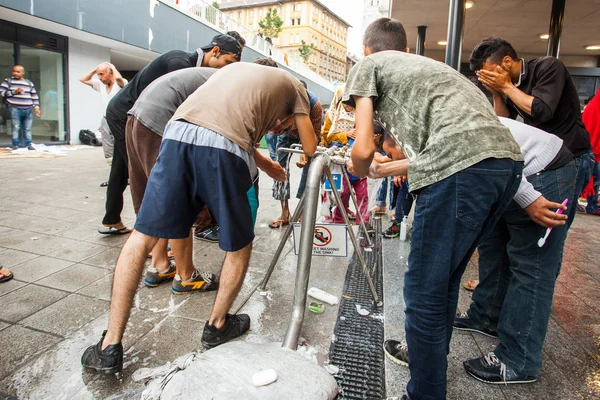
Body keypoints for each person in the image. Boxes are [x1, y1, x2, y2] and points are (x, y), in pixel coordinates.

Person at [81, 61, 317, 375]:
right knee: (239, 244)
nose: (278, 130)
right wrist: (301, 150)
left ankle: (109, 345)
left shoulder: (239, 75)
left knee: (142, 236)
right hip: (224, 145)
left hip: (175, 134)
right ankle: (217, 325)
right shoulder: (298, 88)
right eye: (285, 126)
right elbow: (311, 145)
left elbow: (226, 120)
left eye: (283, 130)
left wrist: (264, 161)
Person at [344, 18, 524, 400]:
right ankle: (429, 360)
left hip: (462, 168)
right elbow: (457, 142)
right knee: (444, 281)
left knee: (423, 290)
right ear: (406, 49)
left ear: (366, 51)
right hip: (505, 164)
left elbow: (361, 150)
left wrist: (356, 164)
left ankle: (424, 392)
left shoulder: (368, 66)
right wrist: (387, 165)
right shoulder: (434, 69)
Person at [99, 34, 242, 236]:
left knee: (123, 168)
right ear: (215, 51)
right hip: (126, 114)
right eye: (227, 62)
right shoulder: (180, 62)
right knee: (145, 172)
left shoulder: (190, 65)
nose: (224, 69)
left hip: (134, 114)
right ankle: (149, 236)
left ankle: (112, 219)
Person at [469, 37, 593, 229]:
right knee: (531, 226)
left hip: (571, 156)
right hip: (541, 160)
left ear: (507, 62)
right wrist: (497, 93)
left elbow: (542, 111)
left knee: (551, 227)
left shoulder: (549, 67)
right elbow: (504, 121)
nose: (491, 80)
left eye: (491, 74)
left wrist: (506, 87)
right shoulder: (507, 86)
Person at [126, 67, 218, 294]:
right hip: (159, 122)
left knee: (156, 196)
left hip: (136, 117)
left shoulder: (212, 75)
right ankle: (186, 275)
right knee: (179, 196)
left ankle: (160, 265)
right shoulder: (235, 82)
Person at [268, 80, 322, 228]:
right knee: (280, 167)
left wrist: (306, 152)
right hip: (288, 132)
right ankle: (285, 212)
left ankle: (303, 212)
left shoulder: (314, 105)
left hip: (309, 133)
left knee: (310, 171)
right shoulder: (283, 101)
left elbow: (315, 136)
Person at [79, 62, 127, 185]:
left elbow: (118, 78)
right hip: (106, 120)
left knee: (122, 148)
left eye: (102, 74)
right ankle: (115, 177)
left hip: (119, 120)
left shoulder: (120, 84)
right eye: (98, 75)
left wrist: (113, 67)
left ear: (110, 72)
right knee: (109, 152)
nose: (100, 77)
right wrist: (95, 70)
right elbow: (82, 79)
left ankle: (128, 176)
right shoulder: (100, 85)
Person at [0, 65, 41, 150]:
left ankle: (28, 144)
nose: (15, 73)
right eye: (14, 71)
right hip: (14, 108)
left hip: (28, 109)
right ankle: (15, 145)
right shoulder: (8, 81)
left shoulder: (29, 83)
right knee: (16, 127)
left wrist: (36, 107)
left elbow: (34, 96)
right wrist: (14, 92)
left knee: (27, 128)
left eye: (18, 72)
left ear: (23, 73)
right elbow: (1, 93)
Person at [581, 91, 600, 215]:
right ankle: (591, 206)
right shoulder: (594, 108)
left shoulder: (594, 107)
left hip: (592, 149)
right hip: (590, 150)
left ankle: (592, 205)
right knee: (589, 178)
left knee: (592, 178)